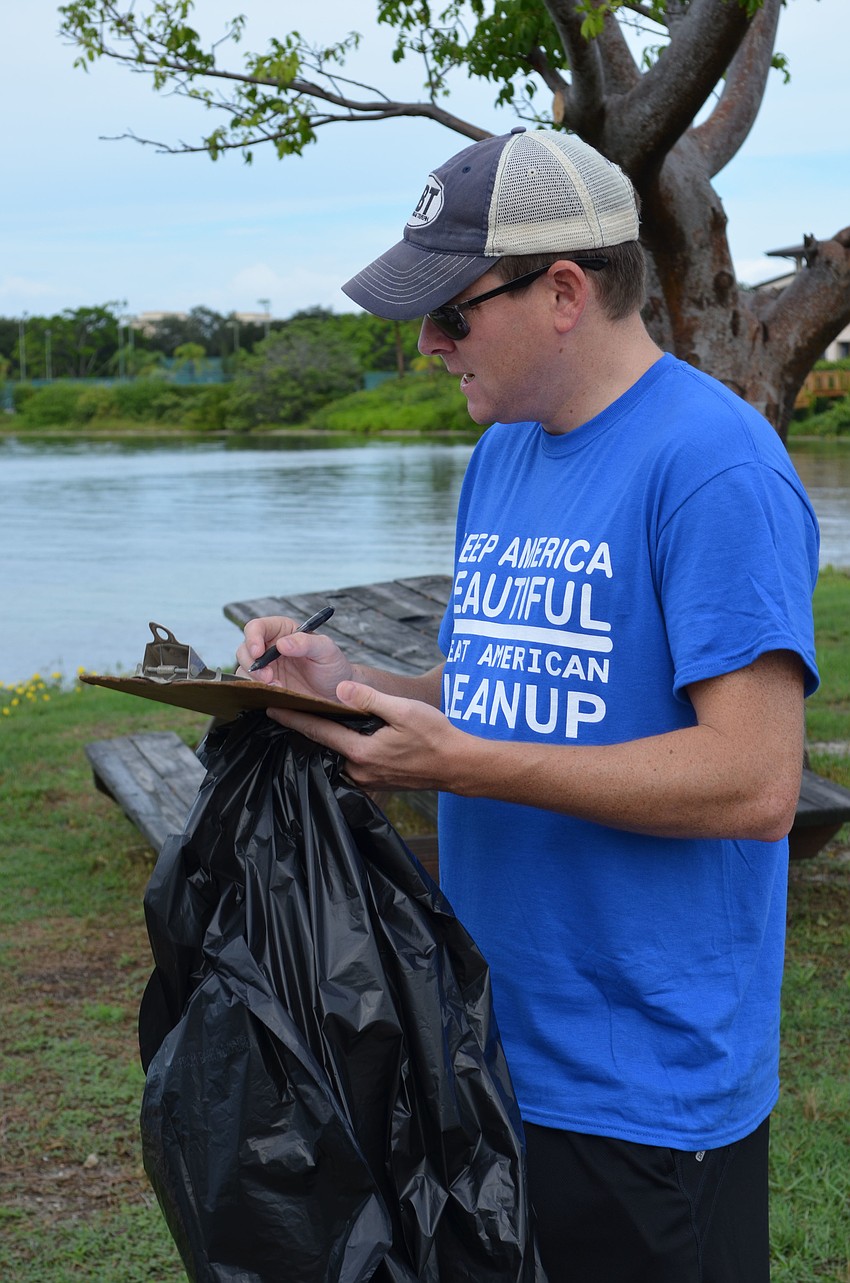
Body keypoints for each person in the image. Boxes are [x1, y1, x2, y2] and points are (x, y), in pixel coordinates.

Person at [235, 128, 819, 1282]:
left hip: (647, 1093)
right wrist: (349, 686)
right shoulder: (504, 454)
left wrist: (463, 765)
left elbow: (756, 782)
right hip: (484, 1044)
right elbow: (505, 689)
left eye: (451, 313)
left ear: (562, 291)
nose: (426, 342)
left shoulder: (715, 468)